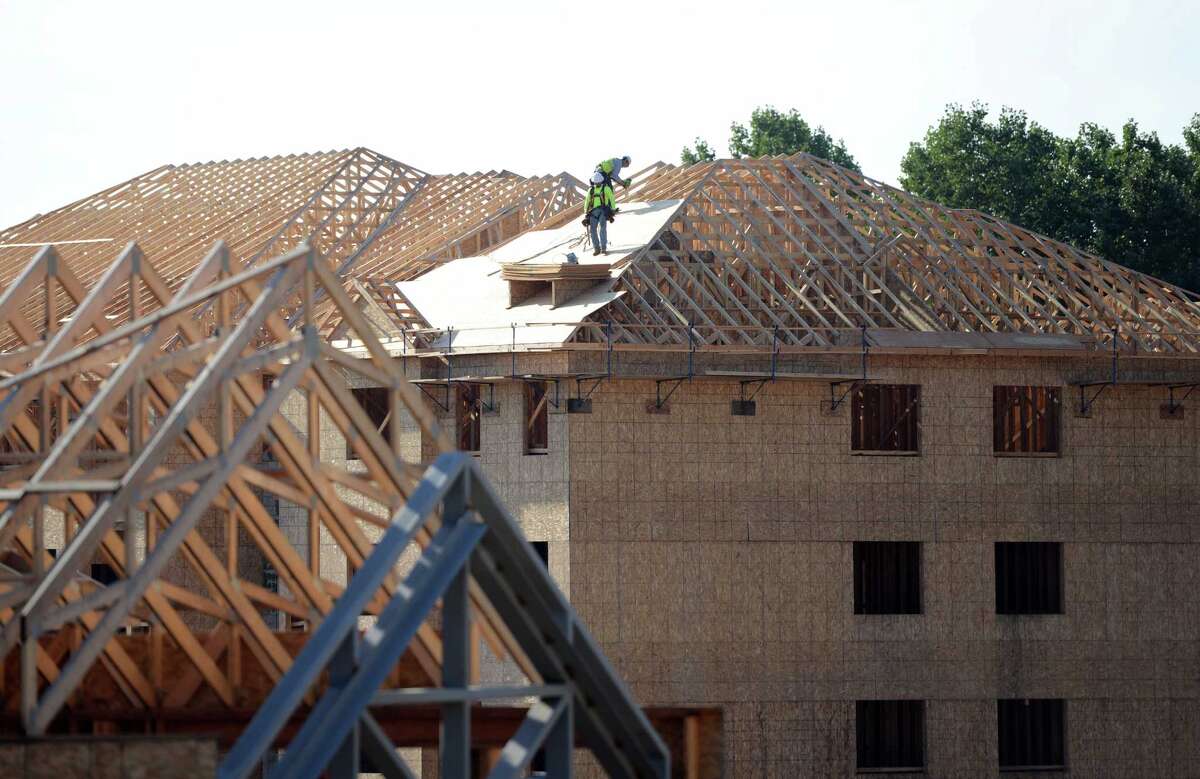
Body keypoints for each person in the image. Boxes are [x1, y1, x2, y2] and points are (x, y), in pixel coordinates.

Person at [580, 171, 617, 255]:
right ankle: (597, 249)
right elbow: (587, 200)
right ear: (593, 182)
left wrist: (613, 209)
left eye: (598, 182)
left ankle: (603, 248)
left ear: (601, 181)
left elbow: (611, 198)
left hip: (603, 211)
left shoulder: (606, 188)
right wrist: (585, 211)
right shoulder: (591, 190)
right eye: (596, 182)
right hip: (593, 212)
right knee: (592, 230)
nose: (597, 184)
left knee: (602, 229)